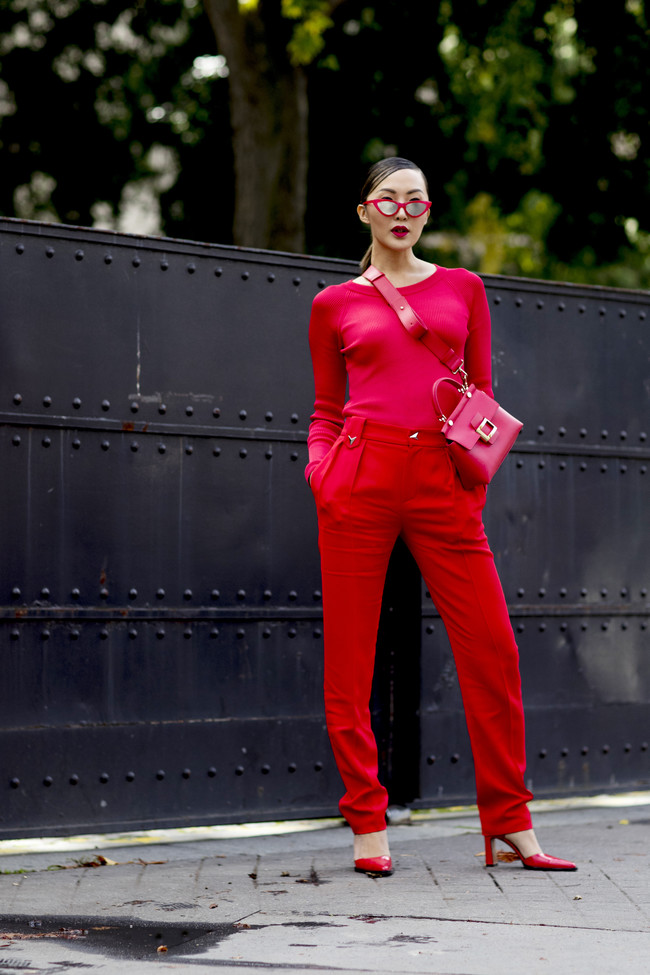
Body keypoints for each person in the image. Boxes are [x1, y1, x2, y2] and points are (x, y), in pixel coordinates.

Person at [305, 156, 576, 878]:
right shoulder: (334, 303)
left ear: (427, 212)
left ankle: (510, 819)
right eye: (388, 199)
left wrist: (469, 491)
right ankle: (367, 819)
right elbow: (326, 408)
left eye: (416, 201)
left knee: (494, 649)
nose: (403, 211)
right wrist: (321, 471)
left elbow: (479, 391)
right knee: (350, 661)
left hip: (441, 479)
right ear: (365, 211)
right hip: (359, 475)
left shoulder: (464, 288)